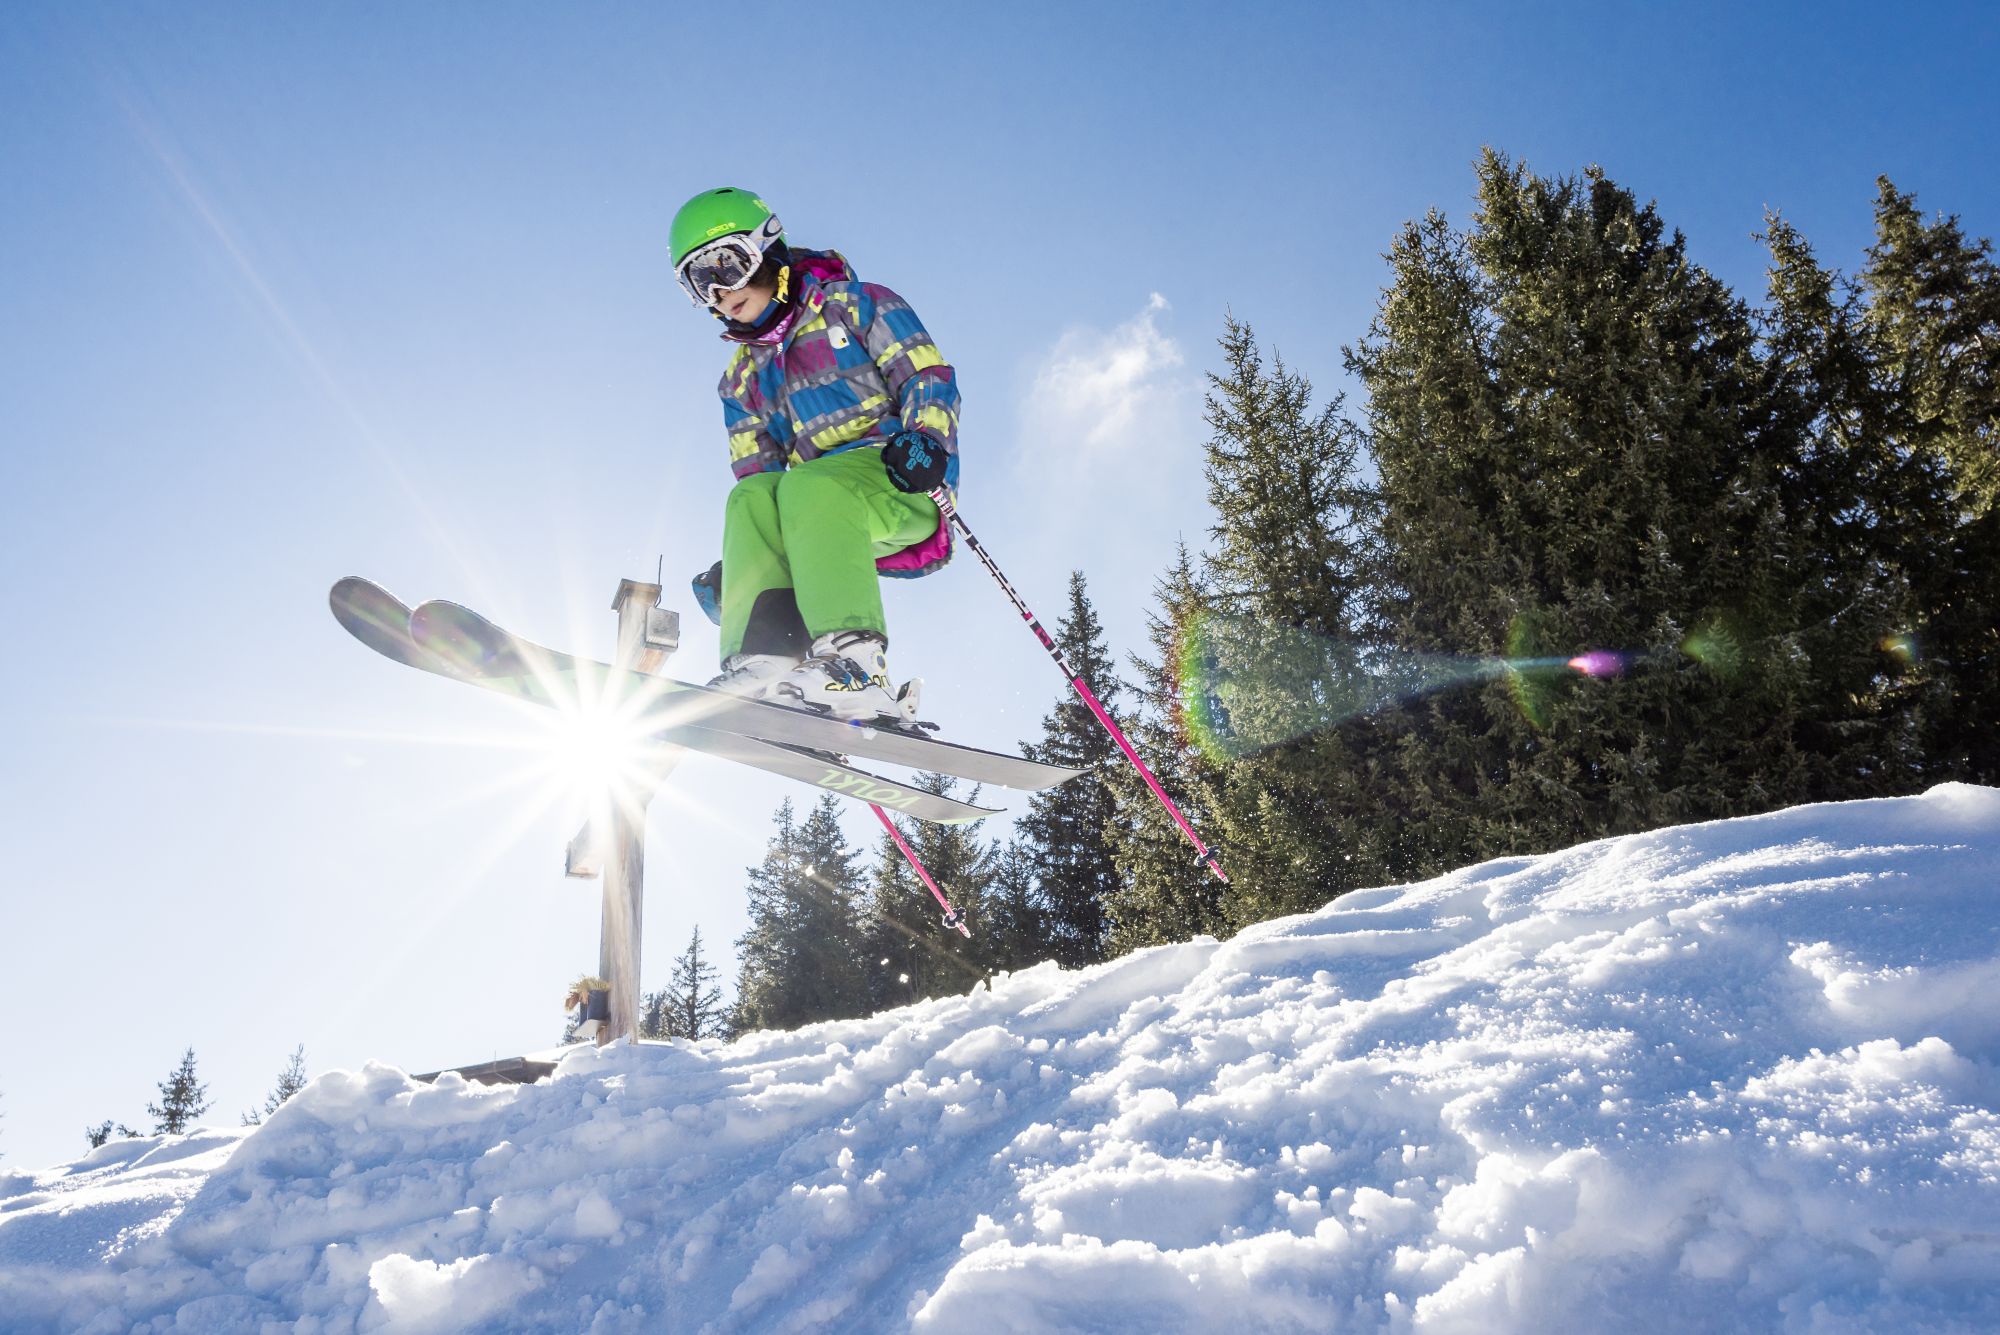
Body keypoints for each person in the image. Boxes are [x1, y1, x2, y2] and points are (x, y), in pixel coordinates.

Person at [670, 187, 960, 723]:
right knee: (751, 498)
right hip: (819, 519)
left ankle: (856, 668)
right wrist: (744, 569)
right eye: (698, 281)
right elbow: (760, 478)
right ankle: (763, 662)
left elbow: (926, 374)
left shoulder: (858, 305)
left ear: (766, 249)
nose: (718, 291)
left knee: (810, 484)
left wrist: (927, 438)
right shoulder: (739, 381)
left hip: (900, 477)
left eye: (725, 266)